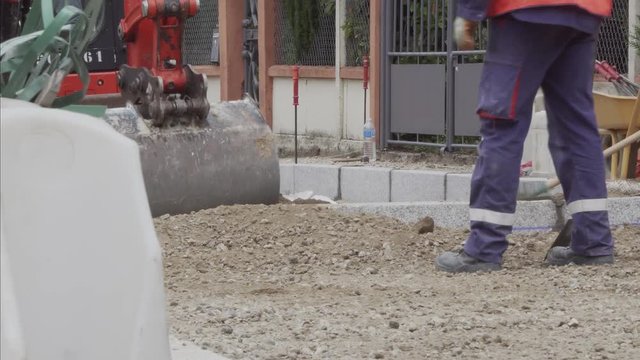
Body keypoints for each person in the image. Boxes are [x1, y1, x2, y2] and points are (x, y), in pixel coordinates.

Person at [436, 0, 615, 273]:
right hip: (583, 11)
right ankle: (593, 242)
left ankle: (485, 248)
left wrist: (469, 13)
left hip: (524, 11)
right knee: (576, 128)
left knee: (501, 122)